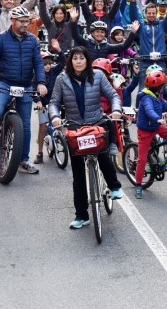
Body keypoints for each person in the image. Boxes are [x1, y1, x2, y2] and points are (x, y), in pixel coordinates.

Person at [48, 46, 124, 229]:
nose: (79, 61)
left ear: (87, 60)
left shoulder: (97, 76)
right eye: (75, 58)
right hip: (74, 129)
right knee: (78, 175)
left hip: (96, 123)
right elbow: (54, 102)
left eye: (82, 58)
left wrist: (115, 110)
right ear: (70, 61)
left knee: (104, 156)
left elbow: (113, 95)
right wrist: (55, 116)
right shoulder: (61, 79)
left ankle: (114, 187)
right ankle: (81, 215)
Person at [0, 7, 47, 175]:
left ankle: (24, 160)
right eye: (22, 21)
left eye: (27, 21)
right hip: (5, 84)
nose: (25, 24)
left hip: (25, 86)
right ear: (13, 21)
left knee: (25, 125)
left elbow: (38, 64)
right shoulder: (0, 39)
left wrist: (40, 82)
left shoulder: (32, 40)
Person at [134, 70, 167, 199]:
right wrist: (157, 119)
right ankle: (138, 184)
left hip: (156, 127)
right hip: (145, 130)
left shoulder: (159, 97)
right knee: (142, 159)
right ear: (158, 88)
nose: (164, 88)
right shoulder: (147, 98)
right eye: (163, 86)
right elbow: (149, 111)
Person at [34, 39, 66, 164]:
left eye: (49, 63)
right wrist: (37, 101)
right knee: (42, 127)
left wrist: (59, 50)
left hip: (54, 103)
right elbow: (32, 88)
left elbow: (63, 62)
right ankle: (40, 153)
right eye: (44, 63)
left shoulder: (54, 71)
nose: (47, 66)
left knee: (58, 124)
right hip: (42, 104)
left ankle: (60, 140)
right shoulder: (36, 75)